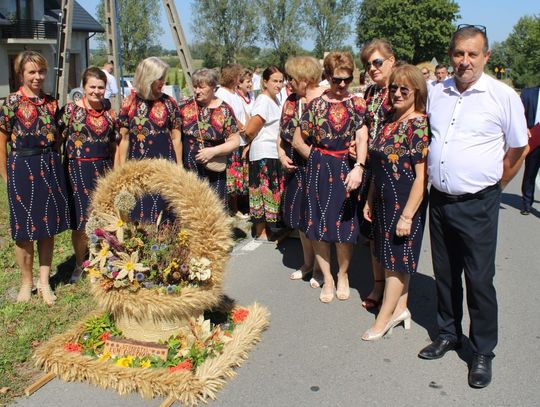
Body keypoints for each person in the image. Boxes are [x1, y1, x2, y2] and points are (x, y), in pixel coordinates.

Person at [418, 25, 528, 389]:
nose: (464, 61)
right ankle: (448, 333)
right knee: (445, 273)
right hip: (440, 201)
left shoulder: (502, 96)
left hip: (479, 203)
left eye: (472, 54)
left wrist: (498, 186)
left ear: (486, 57)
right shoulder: (437, 92)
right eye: (458, 54)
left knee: (479, 279)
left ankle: (482, 351)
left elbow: (518, 148)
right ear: (450, 55)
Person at [361, 64, 430, 340]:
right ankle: (401, 308)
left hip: (404, 203)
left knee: (395, 263)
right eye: (394, 88)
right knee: (393, 259)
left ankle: (383, 320)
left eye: (405, 89)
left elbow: (421, 178)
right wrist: (368, 198)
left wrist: (408, 215)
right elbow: (377, 165)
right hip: (382, 200)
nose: (398, 93)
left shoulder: (419, 124)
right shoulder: (390, 119)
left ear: (416, 92)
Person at [293, 51, 368, 303]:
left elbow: (362, 136)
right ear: (327, 77)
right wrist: (314, 157)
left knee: (345, 227)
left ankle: (343, 273)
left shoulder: (357, 104)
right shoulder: (315, 106)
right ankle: (328, 277)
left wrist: (359, 166)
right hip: (319, 169)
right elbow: (298, 139)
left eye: (347, 79)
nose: (343, 85)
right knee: (318, 226)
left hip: (347, 169)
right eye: (337, 80)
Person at [0, 51, 70, 305]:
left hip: (48, 166)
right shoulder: (9, 104)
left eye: (41, 71)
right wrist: (6, 175)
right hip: (21, 165)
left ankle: (44, 281)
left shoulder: (52, 104)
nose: (37, 77)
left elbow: (59, 140)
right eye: (32, 72)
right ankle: (26, 281)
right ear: (22, 74)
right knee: (23, 232)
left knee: (46, 227)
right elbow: (2, 143)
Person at [57, 67, 117, 282]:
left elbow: (114, 144)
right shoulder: (70, 111)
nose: (96, 91)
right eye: (92, 87)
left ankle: (102, 261)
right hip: (77, 170)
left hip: (102, 170)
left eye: (101, 87)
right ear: (83, 87)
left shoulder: (109, 113)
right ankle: (80, 263)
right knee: (81, 222)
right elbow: (58, 140)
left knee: (103, 217)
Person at [117, 57, 182, 223]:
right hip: (137, 165)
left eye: (163, 77)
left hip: (164, 164)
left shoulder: (169, 102)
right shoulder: (129, 102)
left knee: (165, 209)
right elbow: (123, 138)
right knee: (139, 210)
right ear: (148, 77)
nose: (163, 82)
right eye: (159, 78)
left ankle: (167, 247)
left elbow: (176, 137)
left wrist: (178, 167)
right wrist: (121, 170)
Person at [278, 56, 325, 284]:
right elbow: (280, 134)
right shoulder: (290, 101)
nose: (288, 82)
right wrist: (281, 154)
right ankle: (307, 264)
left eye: (291, 78)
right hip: (295, 168)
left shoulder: (324, 100)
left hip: (317, 167)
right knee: (302, 221)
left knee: (317, 220)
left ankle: (320, 268)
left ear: (305, 79)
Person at [359, 39, 396, 310]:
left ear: (391, 60)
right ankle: (379, 284)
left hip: (396, 171)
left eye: (377, 62)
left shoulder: (404, 89)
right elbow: (362, 127)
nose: (372, 68)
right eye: (368, 64)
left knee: (395, 232)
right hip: (372, 169)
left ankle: (397, 293)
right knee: (373, 230)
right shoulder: (370, 93)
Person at [178, 68, 240, 201]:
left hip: (214, 171)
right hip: (189, 172)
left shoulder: (225, 110)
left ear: (213, 87)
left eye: (201, 87)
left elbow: (235, 140)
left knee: (214, 210)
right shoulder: (184, 106)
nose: (197, 91)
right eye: (195, 87)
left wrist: (213, 151)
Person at [243, 66, 285, 241]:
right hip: (263, 152)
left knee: (270, 191)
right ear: (265, 82)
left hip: (272, 152)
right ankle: (261, 231)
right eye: (274, 81)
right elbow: (251, 129)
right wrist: (248, 143)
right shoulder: (263, 101)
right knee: (262, 191)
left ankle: (270, 229)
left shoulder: (274, 100)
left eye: (281, 81)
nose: (279, 84)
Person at [215, 64, 249, 218]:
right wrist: (242, 128)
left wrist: (249, 129)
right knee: (232, 177)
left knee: (240, 176)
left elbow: (244, 113)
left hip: (242, 139)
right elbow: (230, 115)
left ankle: (239, 207)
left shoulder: (235, 93)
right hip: (233, 139)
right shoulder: (222, 93)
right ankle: (233, 209)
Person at [519, 85, 540, 215]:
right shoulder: (528, 94)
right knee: (530, 173)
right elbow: (519, 115)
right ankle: (527, 203)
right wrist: (524, 127)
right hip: (534, 138)